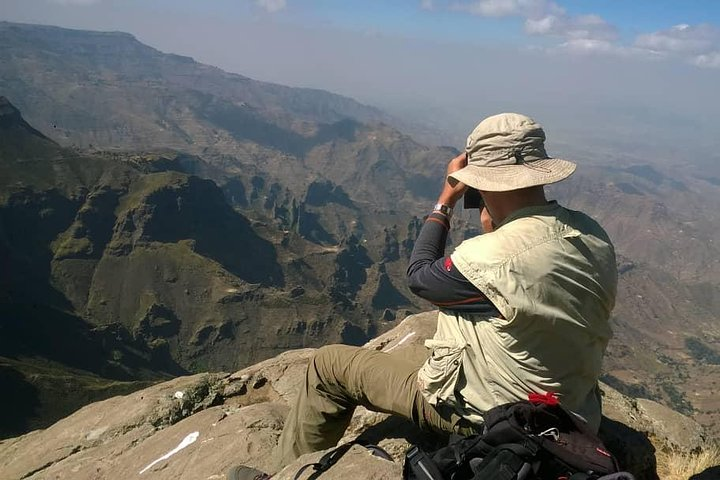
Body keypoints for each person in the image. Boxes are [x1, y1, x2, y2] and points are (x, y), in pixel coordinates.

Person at [227, 113, 618, 480]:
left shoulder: (489, 257)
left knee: (329, 365)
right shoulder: (591, 232)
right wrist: (494, 224)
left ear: (480, 181)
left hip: (499, 417)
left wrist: (444, 200)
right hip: (574, 409)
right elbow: (524, 286)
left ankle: (282, 474)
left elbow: (420, 276)